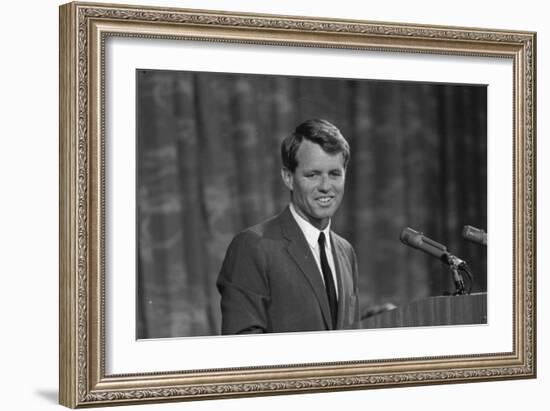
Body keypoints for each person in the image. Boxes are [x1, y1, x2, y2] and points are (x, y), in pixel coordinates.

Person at [216, 119, 360, 334]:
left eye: (334, 174)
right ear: (288, 178)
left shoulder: (345, 251)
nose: (325, 186)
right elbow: (242, 347)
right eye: (312, 175)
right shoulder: (254, 246)